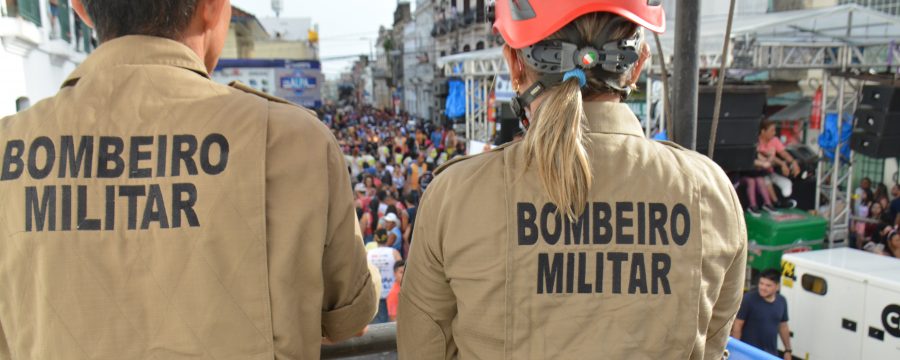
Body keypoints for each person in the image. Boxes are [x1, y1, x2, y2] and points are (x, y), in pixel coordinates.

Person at [0, 1, 377, 358]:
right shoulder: (292, 140)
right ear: (212, 7)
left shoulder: (8, 146)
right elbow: (350, 315)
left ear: (80, 7)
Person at [397, 1, 747, 358]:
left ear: (515, 64)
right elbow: (712, 344)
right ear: (638, 65)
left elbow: (422, 349)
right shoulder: (711, 192)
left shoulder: (456, 197)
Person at [732, 270, 793, 359]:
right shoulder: (748, 299)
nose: (763, 287)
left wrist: (788, 350)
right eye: (761, 283)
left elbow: (783, 326)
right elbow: (737, 326)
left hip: (770, 354)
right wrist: (735, 351)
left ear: (777, 287)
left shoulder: (782, 301)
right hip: (748, 354)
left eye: (768, 285)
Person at [367, 229, 402, 324]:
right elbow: (402, 270)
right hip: (392, 292)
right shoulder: (394, 252)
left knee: (377, 327)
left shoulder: (369, 254)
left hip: (375, 293)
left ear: (375, 238)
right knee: (394, 325)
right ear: (387, 238)